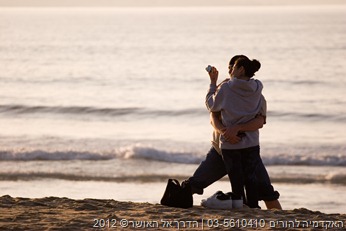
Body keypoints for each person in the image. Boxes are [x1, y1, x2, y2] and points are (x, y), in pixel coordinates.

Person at [185, 55, 281, 209]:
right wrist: (225, 132)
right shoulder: (226, 89)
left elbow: (260, 121)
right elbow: (213, 117)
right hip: (221, 150)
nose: (229, 69)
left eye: (232, 66)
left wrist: (236, 129)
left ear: (241, 69)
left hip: (245, 150)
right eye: (228, 66)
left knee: (265, 191)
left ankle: (275, 221)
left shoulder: (254, 94)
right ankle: (174, 202)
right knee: (195, 184)